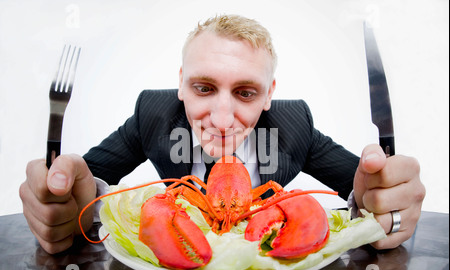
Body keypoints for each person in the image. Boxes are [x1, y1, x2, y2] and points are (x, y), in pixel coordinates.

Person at [19, 14, 425, 255]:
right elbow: (85, 186)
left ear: (270, 95)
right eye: (204, 88)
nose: (223, 118)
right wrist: (70, 203)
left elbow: (367, 193)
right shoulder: (153, 114)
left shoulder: (294, 124)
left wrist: (381, 206)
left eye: (246, 93)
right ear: (180, 84)